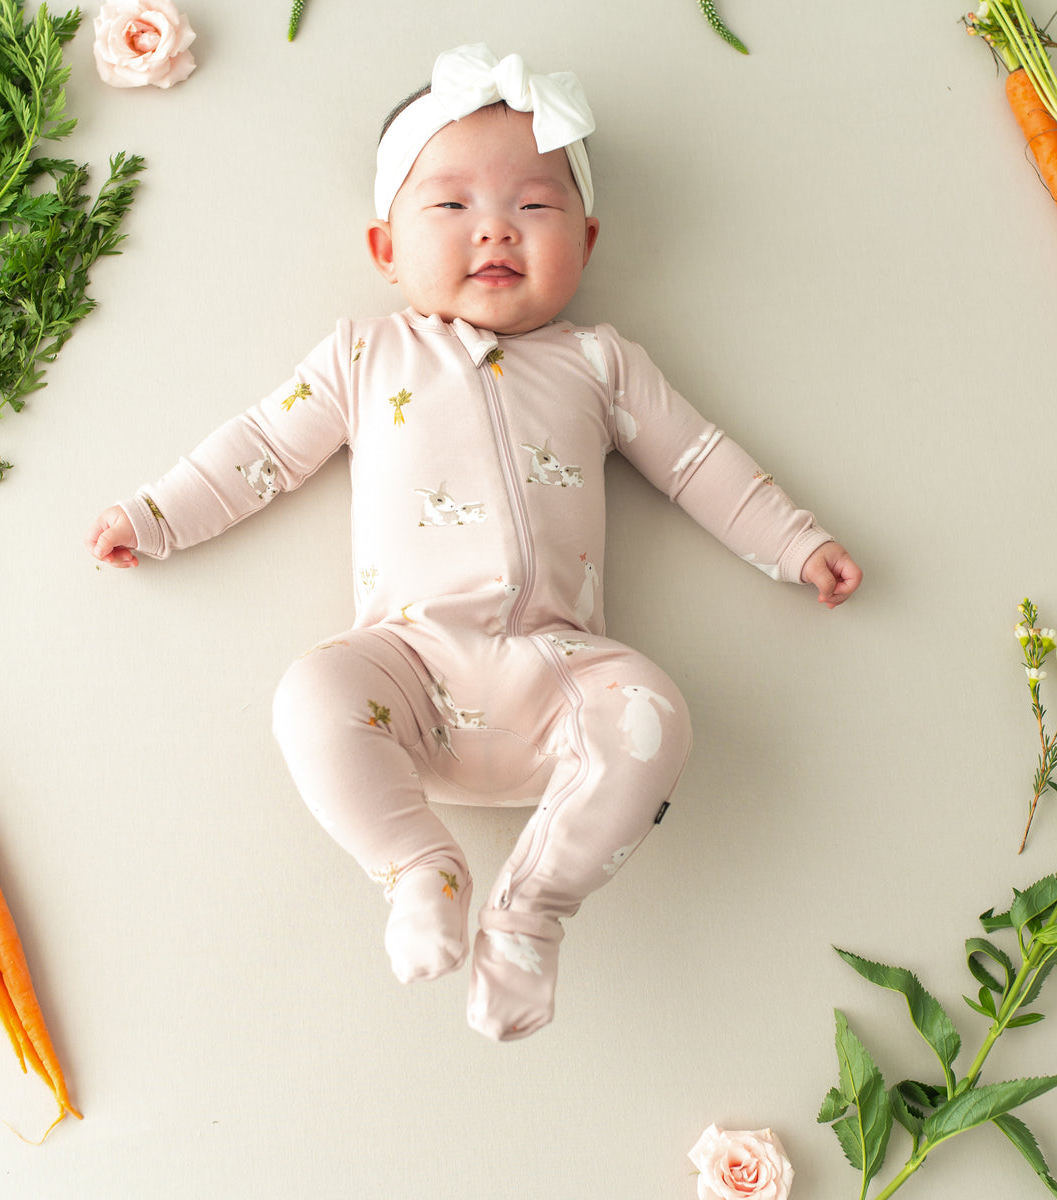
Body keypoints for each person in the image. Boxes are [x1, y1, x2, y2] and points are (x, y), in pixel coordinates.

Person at [86, 44, 861, 1041]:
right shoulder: (363, 355)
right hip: (405, 669)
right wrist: (153, 518)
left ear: (584, 239)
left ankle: (531, 912)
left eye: (533, 208)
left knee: (657, 714)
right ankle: (418, 865)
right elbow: (260, 448)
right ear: (385, 248)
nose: (494, 227)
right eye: (450, 207)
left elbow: (700, 461)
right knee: (308, 694)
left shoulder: (602, 362)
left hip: (562, 675)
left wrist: (797, 544)